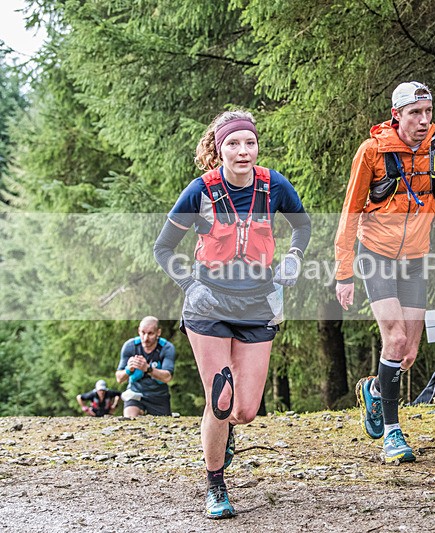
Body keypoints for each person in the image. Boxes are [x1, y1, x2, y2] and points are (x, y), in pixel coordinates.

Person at [153, 110, 310, 519]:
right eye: (233, 144)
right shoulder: (200, 191)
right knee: (220, 400)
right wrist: (191, 286)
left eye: (249, 143)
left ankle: (224, 432)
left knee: (244, 411)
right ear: (218, 148)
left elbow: (303, 227)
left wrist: (293, 257)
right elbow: (163, 248)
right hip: (209, 306)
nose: (243, 151)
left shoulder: (274, 186)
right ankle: (215, 484)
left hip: (258, 304)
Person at [334, 81, 435, 464]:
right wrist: (344, 272)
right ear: (396, 116)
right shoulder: (373, 152)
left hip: (416, 258)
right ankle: (393, 435)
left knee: (408, 353)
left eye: (428, 112)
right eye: (415, 113)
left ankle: (376, 391)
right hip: (375, 254)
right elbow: (349, 213)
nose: (424, 121)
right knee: (394, 339)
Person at [115, 316, 176, 419]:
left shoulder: (167, 348)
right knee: (130, 420)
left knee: (162, 426)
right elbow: (119, 378)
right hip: (135, 393)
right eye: (143, 333)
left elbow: (167, 377)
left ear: (158, 332)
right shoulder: (130, 346)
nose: (146, 338)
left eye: (150, 333)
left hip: (159, 396)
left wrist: (148, 369)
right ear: (139, 331)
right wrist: (128, 370)